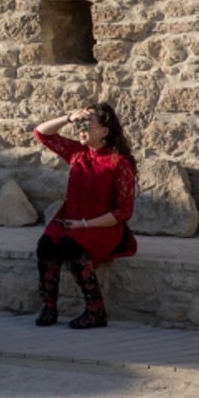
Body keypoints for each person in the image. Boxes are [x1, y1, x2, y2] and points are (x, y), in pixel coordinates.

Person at [33, 102, 137, 329]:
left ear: (105, 132)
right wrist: (69, 116)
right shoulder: (77, 153)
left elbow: (123, 212)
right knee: (46, 246)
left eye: (88, 125)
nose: (81, 129)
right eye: (80, 125)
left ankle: (96, 310)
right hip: (70, 219)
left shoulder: (119, 163)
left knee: (72, 249)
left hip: (103, 225)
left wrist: (85, 224)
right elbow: (41, 133)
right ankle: (49, 307)